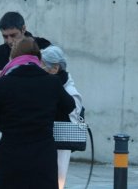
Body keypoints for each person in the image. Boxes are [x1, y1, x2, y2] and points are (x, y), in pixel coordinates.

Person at [0, 37, 75, 189]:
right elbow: (70, 106)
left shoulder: (3, 84)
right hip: (43, 160)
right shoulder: (52, 83)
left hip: (10, 159)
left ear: (13, 59)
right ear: (38, 58)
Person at [41, 45, 83, 189]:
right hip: (45, 138)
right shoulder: (50, 83)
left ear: (55, 68)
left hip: (61, 139)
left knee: (58, 177)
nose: (40, 68)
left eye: (43, 65)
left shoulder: (68, 89)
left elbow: (73, 113)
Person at [0, 11, 51, 76]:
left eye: (13, 35)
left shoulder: (43, 45)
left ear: (23, 29)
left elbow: (60, 74)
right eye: (5, 36)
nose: (9, 41)